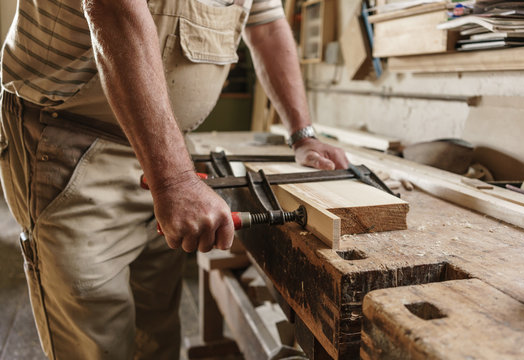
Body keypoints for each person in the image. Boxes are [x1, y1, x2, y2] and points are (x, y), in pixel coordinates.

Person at [0, 0, 348, 358]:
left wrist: (302, 135)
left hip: (169, 147)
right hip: (74, 139)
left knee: (157, 321)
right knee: (94, 334)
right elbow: (115, 9)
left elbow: (269, 27)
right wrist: (173, 180)